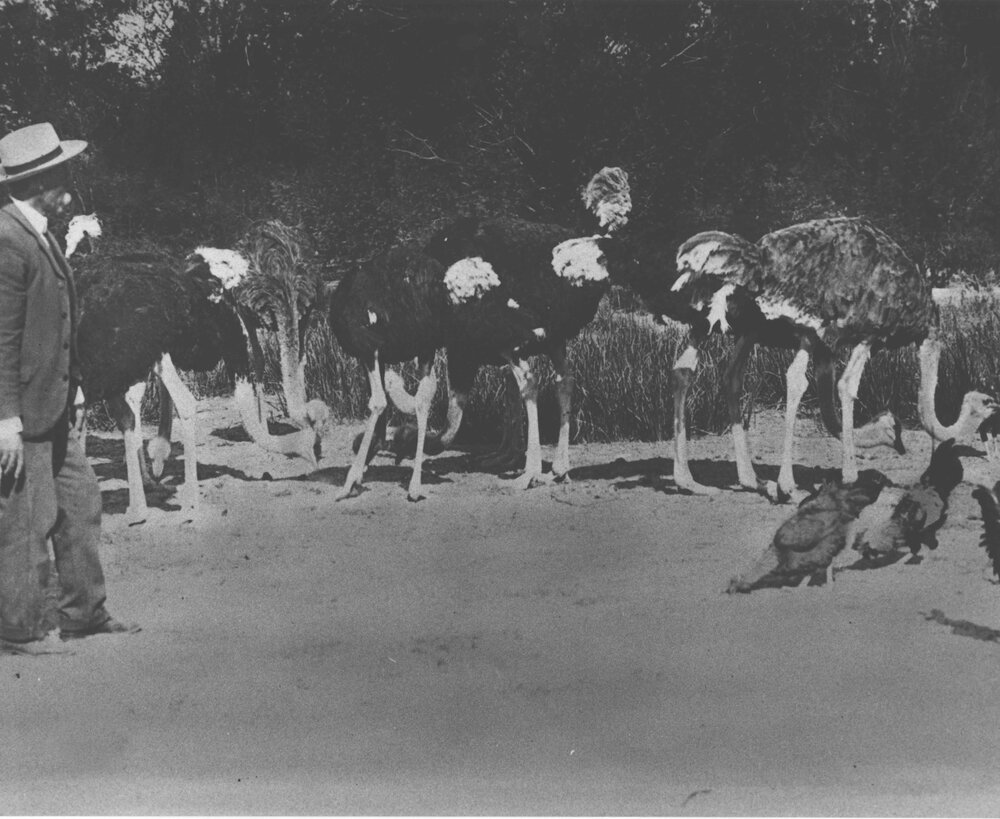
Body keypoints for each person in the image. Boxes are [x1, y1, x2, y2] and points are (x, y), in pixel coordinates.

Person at [0, 122, 138, 655]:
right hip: (22, 413)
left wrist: (74, 385)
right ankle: (18, 628)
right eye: (62, 174)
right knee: (25, 521)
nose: (69, 185)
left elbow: (56, 321)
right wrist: (6, 420)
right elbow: (3, 338)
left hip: (52, 403)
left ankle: (84, 612)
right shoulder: (8, 239)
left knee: (80, 504)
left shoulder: (38, 231)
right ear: (40, 180)